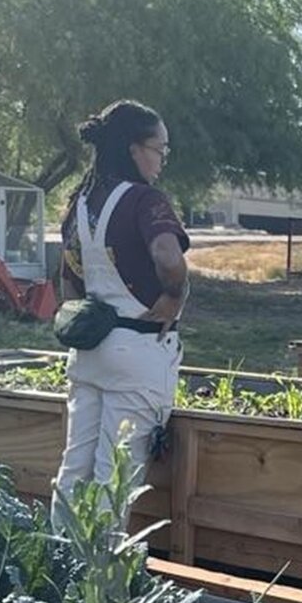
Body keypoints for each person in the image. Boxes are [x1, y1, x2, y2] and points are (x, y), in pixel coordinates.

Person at [53, 99, 189, 513]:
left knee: (75, 468)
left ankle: (61, 566)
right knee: (115, 478)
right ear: (135, 149)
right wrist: (173, 297)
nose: (162, 159)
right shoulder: (145, 201)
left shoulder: (79, 203)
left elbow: (67, 282)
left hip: (91, 350)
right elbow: (168, 257)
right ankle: (102, 576)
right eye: (159, 149)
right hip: (139, 351)